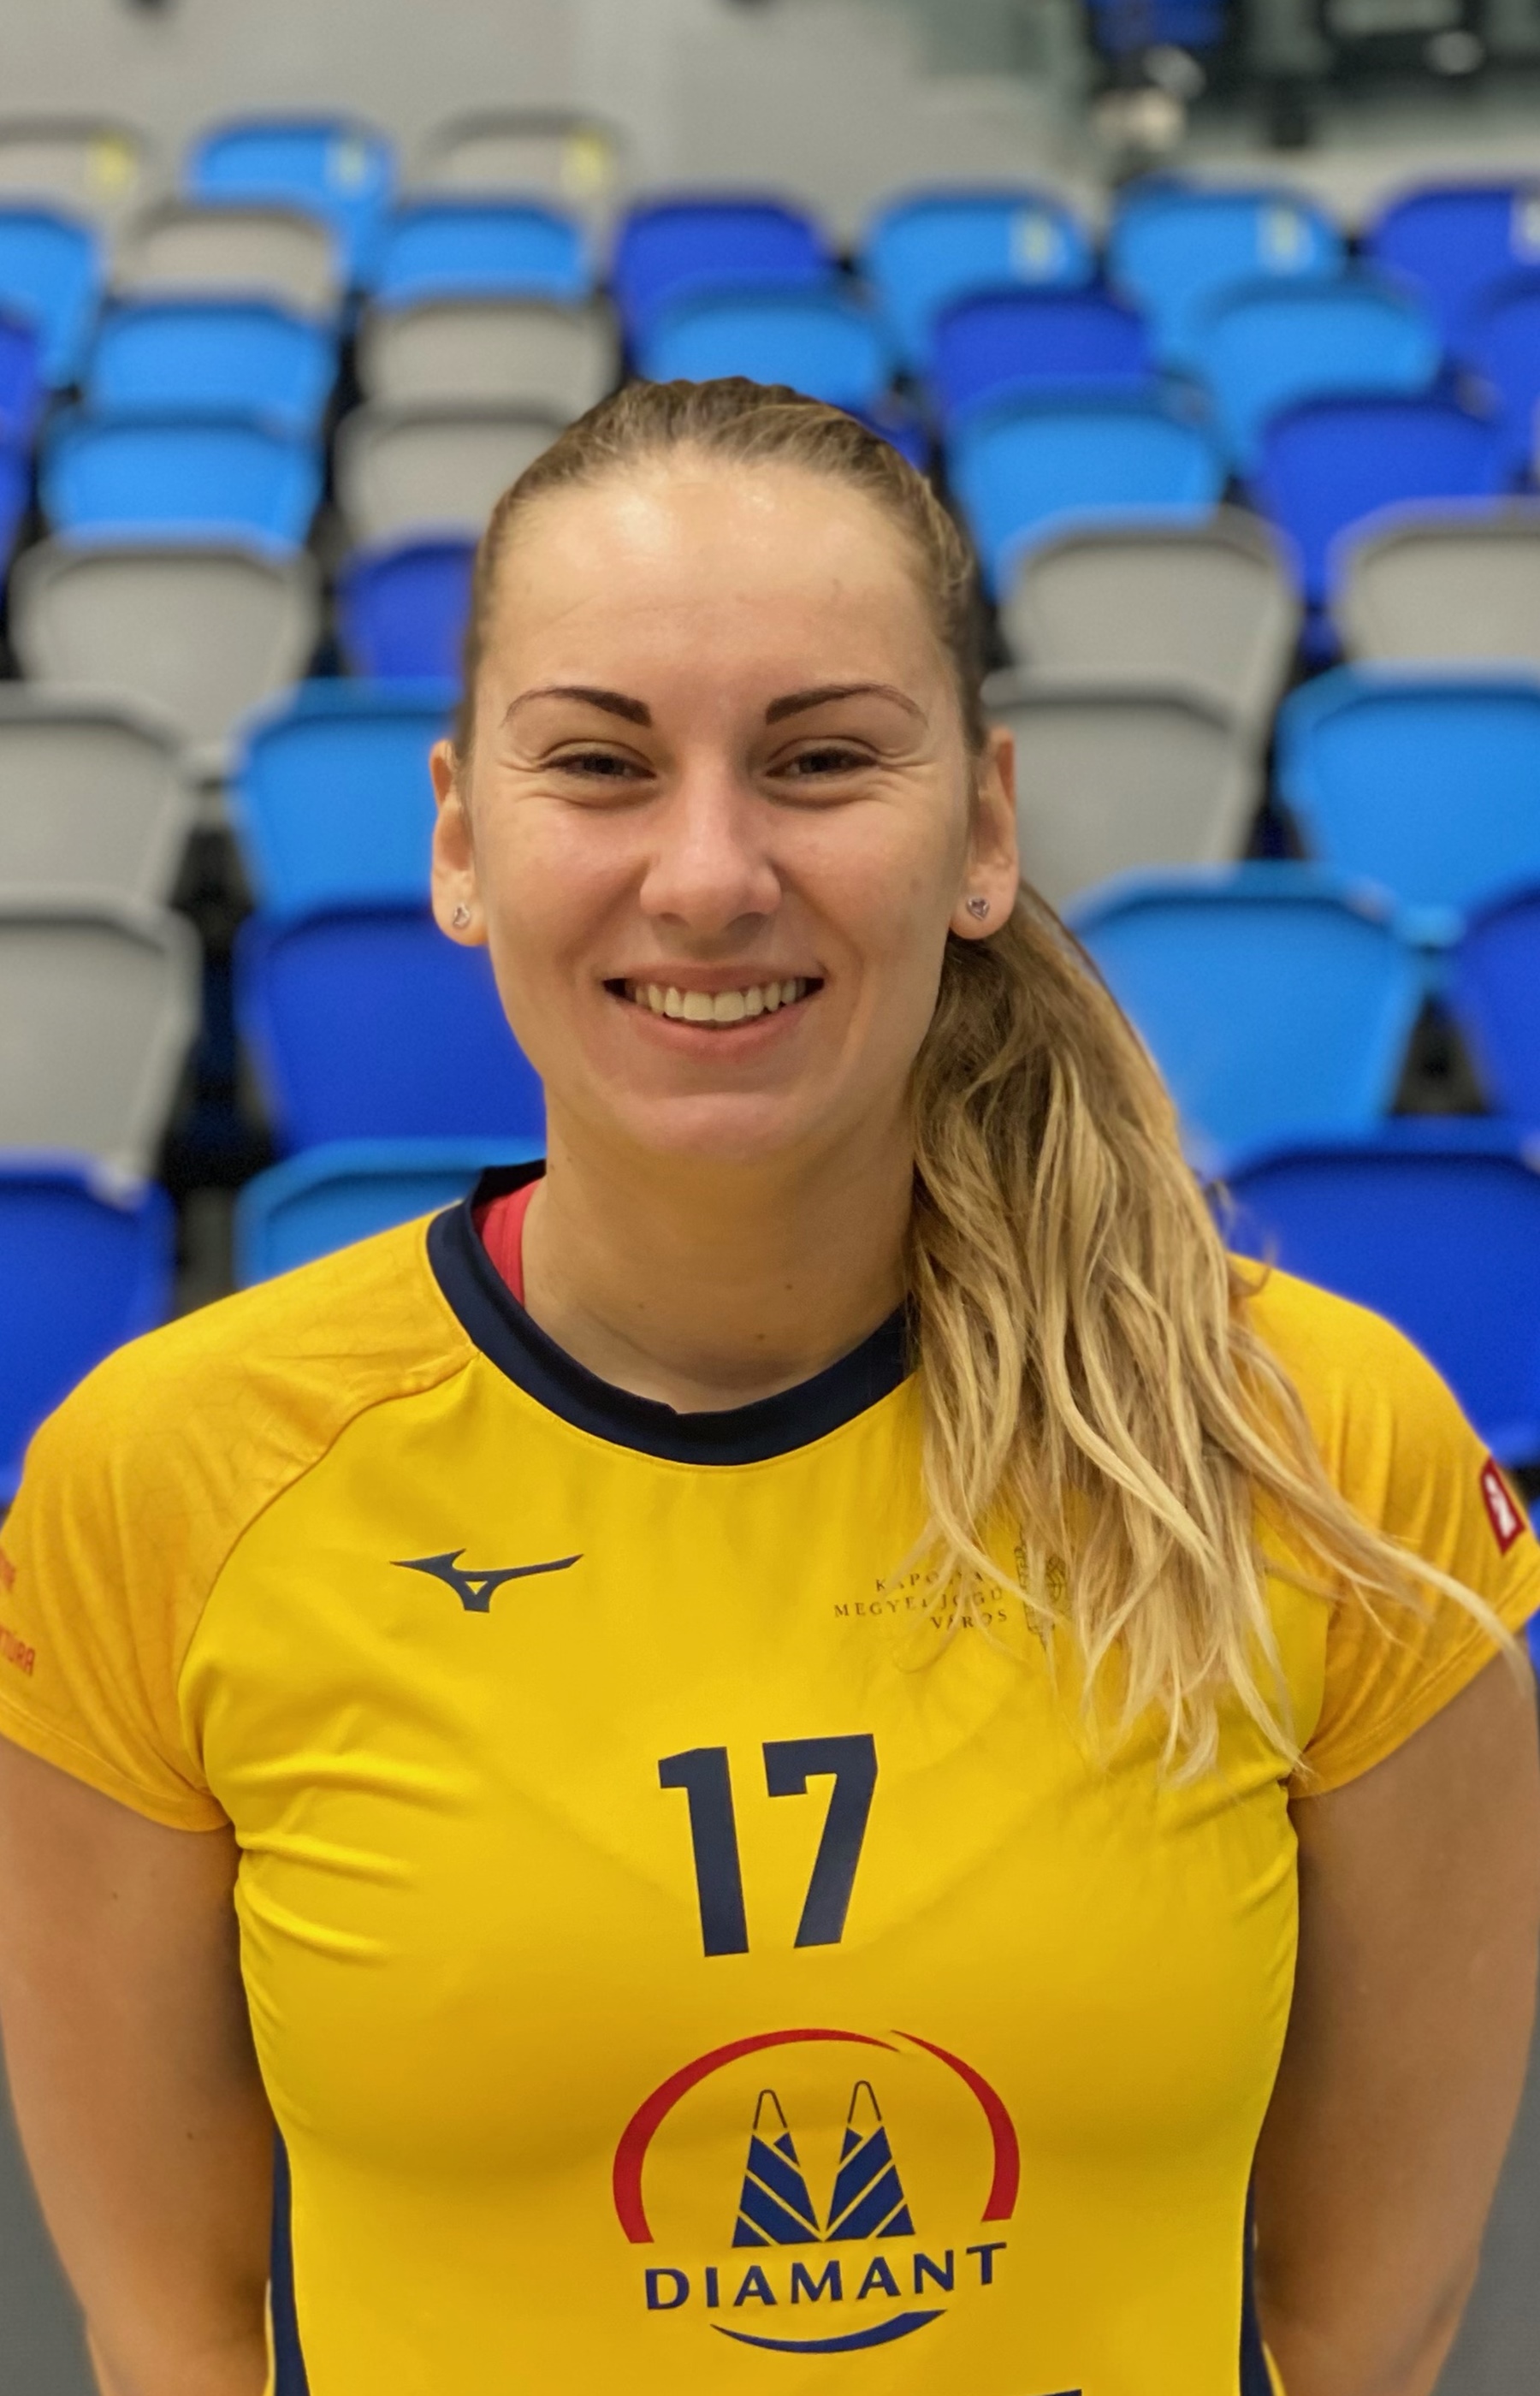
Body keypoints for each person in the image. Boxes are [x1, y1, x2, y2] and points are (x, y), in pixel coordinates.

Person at [0, 378, 1537, 2396]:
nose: (710, 873)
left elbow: (1366, 2326)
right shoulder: (171, 1478)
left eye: (820, 759)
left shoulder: (1320, 1447)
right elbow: (175, 2327)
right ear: (460, 839)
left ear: (982, 827)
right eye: (600, 764)